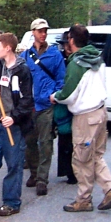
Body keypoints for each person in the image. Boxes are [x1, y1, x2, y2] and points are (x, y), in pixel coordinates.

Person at [51, 25, 111, 213]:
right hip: (100, 112)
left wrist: (56, 96)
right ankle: (110, 189)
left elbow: (69, 94)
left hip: (85, 117)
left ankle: (83, 200)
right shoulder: (98, 59)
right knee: (96, 155)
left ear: (72, 40)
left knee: (82, 159)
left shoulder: (77, 64)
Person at [0, 33, 33, 218]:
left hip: (13, 126)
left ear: (8, 48)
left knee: (14, 164)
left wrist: (14, 118)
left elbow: (27, 101)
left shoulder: (22, 70)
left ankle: (11, 202)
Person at [19, 18, 66, 196]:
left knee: (45, 142)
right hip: (30, 105)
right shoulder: (25, 56)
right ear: (33, 33)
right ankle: (33, 172)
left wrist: (54, 94)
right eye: (39, 31)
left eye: (45, 30)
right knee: (30, 142)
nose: (43, 33)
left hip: (46, 105)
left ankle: (42, 179)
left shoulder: (54, 55)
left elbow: (61, 78)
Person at [55, 31, 77, 185]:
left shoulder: (77, 61)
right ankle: (67, 171)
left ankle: (75, 171)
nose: (67, 47)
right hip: (62, 102)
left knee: (76, 140)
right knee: (64, 138)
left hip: (76, 104)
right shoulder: (59, 59)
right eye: (64, 44)